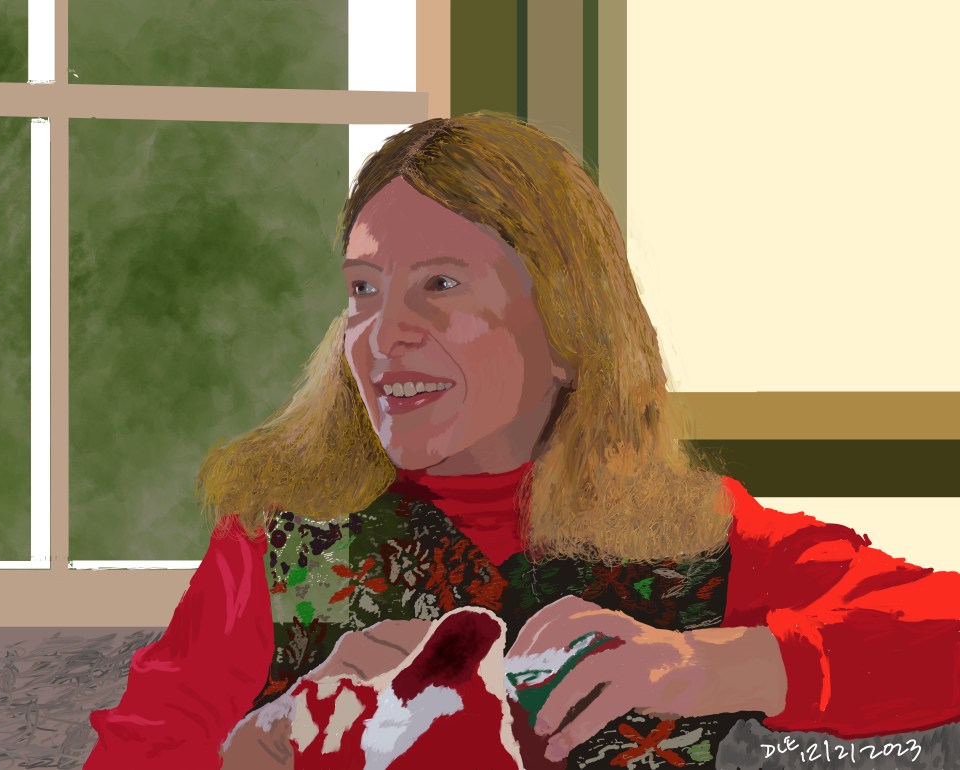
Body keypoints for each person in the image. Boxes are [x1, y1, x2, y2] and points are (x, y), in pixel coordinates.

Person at [84, 113, 960, 769]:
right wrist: (266, 745)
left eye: (440, 284)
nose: (382, 334)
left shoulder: (702, 542)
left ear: (569, 331)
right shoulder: (275, 541)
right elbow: (140, 750)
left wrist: (710, 666)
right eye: (362, 289)